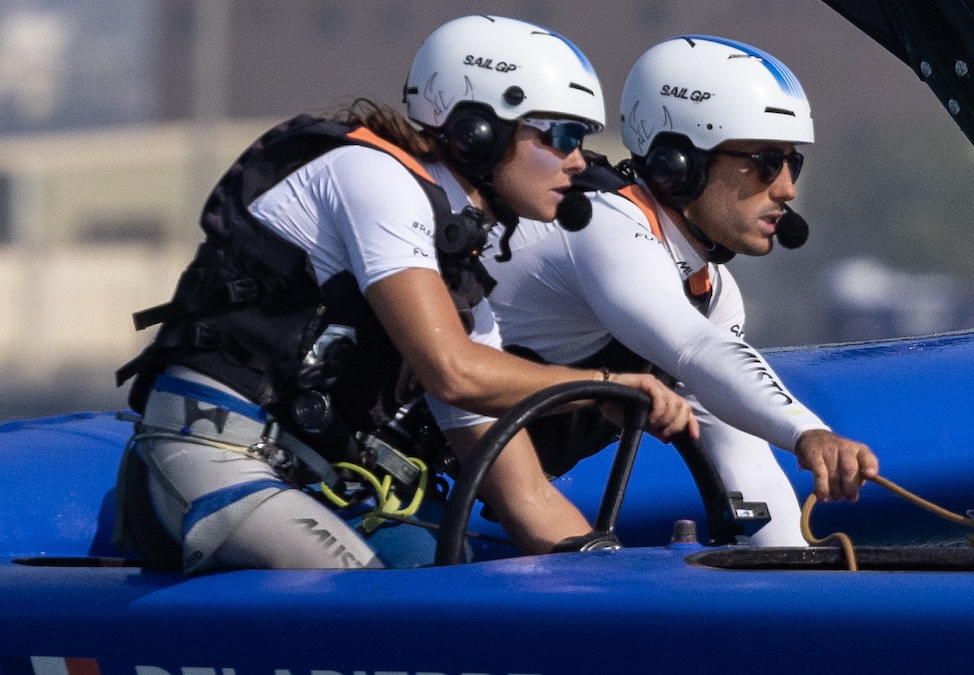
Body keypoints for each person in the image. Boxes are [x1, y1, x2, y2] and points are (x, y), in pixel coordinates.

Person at [111, 15, 696, 574]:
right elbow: (453, 373)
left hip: (312, 485)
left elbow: (524, 496)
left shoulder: (462, 285)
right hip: (208, 459)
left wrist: (602, 583)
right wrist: (603, 388)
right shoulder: (373, 178)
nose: (577, 161)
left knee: (447, 567)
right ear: (478, 133)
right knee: (371, 603)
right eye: (562, 135)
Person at [485, 35, 877, 546]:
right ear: (679, 164)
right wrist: (808, 431)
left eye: (791, 163)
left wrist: (797, 586)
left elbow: (742, 458)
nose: (787, 188)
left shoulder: (710, 293)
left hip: (475, 492)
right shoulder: (604, 225)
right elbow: (696, 349)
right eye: (765, 162)